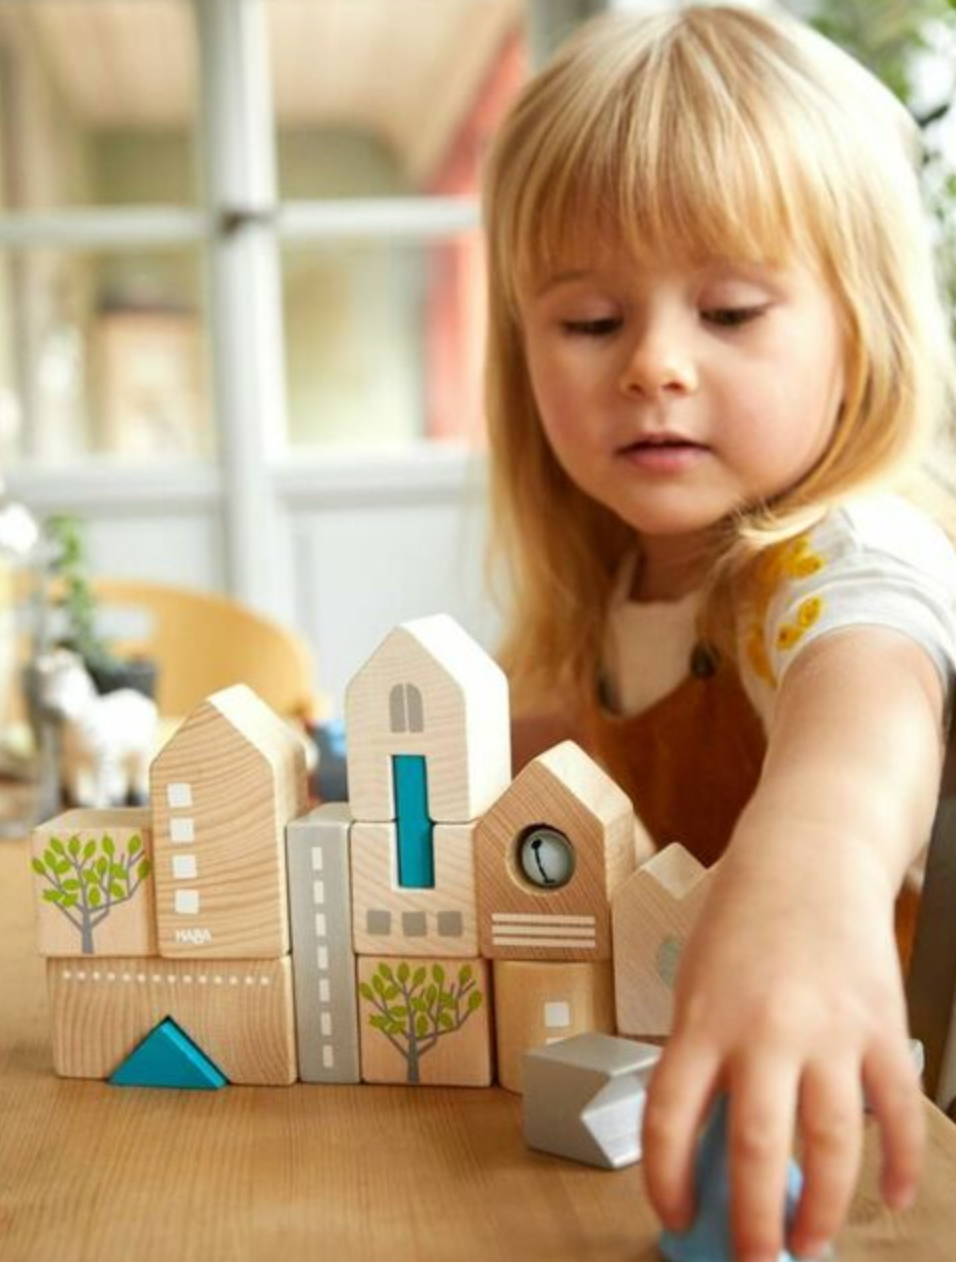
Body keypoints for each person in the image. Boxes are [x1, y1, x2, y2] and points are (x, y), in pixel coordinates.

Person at [481, 5, 956, 1260]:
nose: (652, 365)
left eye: (732, 311)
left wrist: (811, 863)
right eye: (589, 322)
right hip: (598, 1129)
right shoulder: (606, 584)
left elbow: (871, 683)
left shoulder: (835, 557)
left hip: (818, 1172)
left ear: (861, 335)